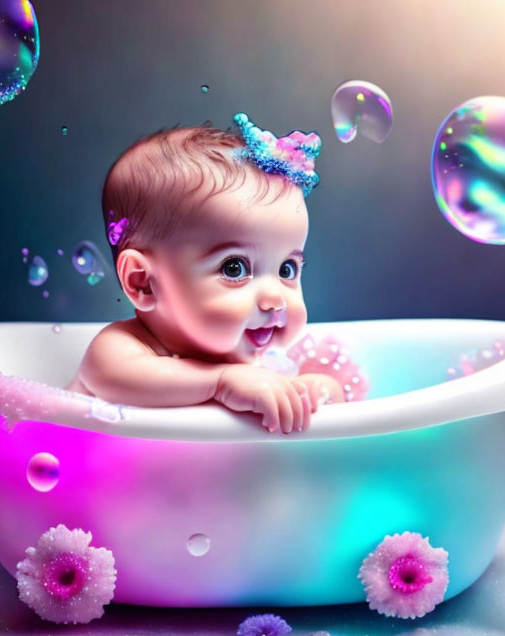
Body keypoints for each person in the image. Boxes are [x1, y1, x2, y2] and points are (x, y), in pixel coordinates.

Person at [68, 114, 367, 433]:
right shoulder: (121, 350)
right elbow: (114, 378)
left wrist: (311, 392)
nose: (274, 297)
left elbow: (329, 397)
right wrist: (220, 383)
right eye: (234, 268)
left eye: (286, 269)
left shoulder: (255, 362)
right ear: (142, 281)